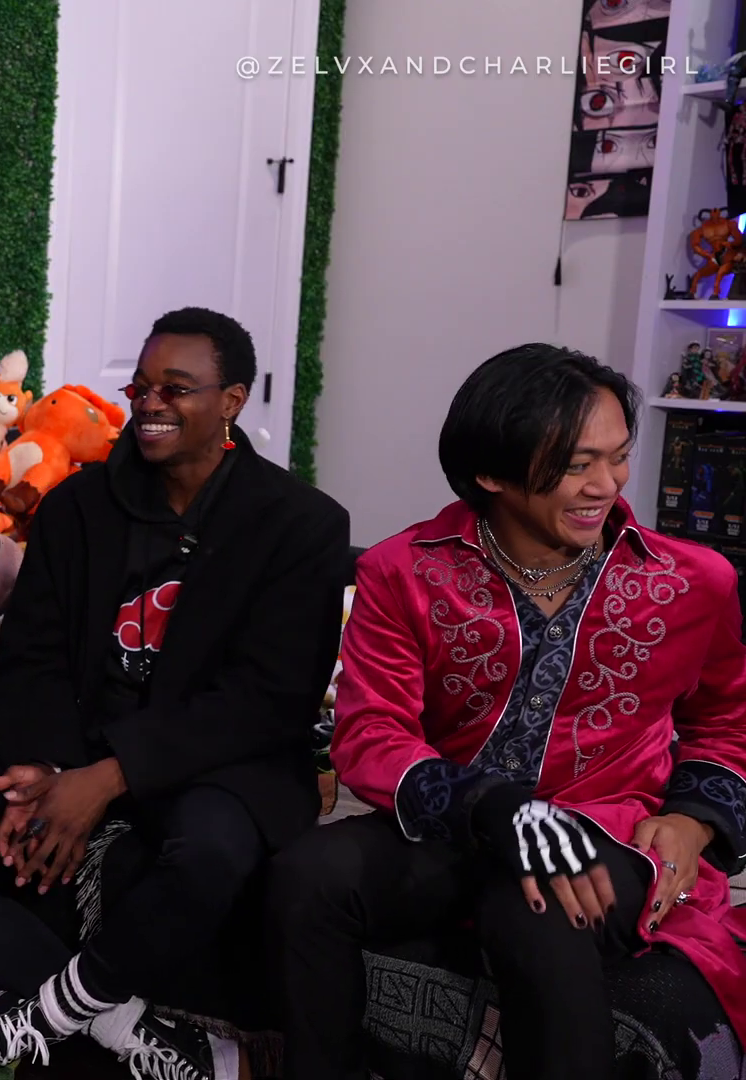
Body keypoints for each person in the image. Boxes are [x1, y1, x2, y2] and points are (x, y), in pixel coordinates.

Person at [0, 307, 350, 1080]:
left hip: (218, 762)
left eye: (177, 388)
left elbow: (265, 702)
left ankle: (37, 1021)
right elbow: (31, 656)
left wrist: (109, 779)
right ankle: (132, 1034)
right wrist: (49, 772)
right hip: (71, 743)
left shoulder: (301, 525)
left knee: (210, 852)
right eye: (141, 386)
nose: (150, 403)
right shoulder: (80, 506)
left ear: (232, 401)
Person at [267, 344, 746, 1080]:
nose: (607, 485)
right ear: (492, 473)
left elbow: (726, 720)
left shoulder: (693, 581)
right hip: (460, 825)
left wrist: (695, 819)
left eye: (618, 457)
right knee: (309, 873)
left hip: (608, 829)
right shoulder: (403, 572)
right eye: (578, 464)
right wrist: (487, 805)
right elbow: (370, 732)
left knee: (540, 901)